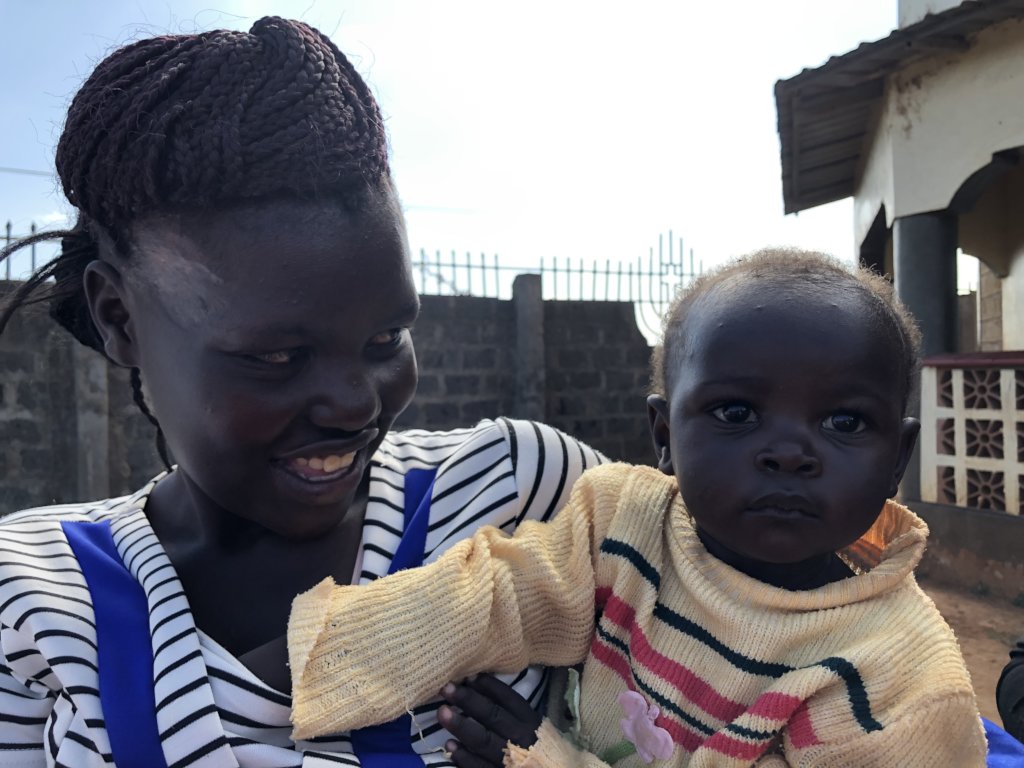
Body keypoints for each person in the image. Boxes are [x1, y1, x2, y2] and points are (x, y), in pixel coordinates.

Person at [0, 18, 604, 767]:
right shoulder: (32, 589)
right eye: (278, 356)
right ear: (119, 317)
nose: (354, 405)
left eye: (386, 341)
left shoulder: (526, 495)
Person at [286, 249, 989, 767]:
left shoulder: (898, 682)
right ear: (664, 437)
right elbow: (499, 595)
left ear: (896, 461)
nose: (789, 453)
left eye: (843, 423)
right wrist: (322, 660)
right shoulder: (623, 522)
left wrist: (542, 759)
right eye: (737, 411)